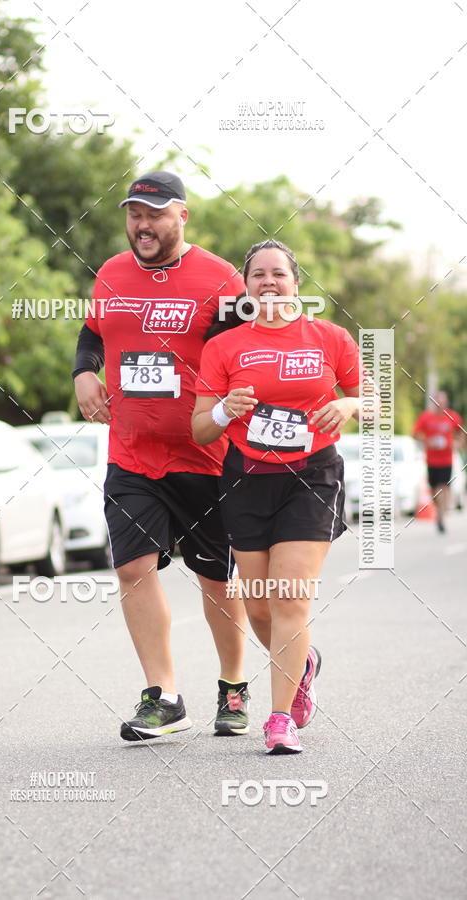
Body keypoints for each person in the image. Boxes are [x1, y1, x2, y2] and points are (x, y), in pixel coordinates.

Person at [72, 171, 250, 741]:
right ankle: (165, 696)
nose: (142, 225)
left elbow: (246, 352)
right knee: (131, 568)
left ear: (182, 217)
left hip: (206, 455)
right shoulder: (112, 273)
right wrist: (83, 373)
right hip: (132, 452)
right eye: (135, 214)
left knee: (216, 580)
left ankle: (233, 687)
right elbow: (94, 332)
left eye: (155, 214)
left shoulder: (221, 279)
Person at [192, 239, 361, 754]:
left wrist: (350, 405)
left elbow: (375, 399)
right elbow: (200, 428)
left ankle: (280, 718)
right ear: (246, 286)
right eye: (258, 275)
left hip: (311, 476)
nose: (268, 282)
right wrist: (225, 410)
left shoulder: (328, 338)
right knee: (260, 607)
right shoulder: (224, 348)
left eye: (278, 274)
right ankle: (303, 664)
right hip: (246, 477)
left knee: (290, 598)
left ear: (296, 283)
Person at [413, 391, 464, 532]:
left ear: (446, 403)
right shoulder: (426, 417)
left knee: (443, 487)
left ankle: (441, 518)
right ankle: (440, 511)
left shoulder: (453, 417)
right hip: (431, 460)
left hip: (446, 460)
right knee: (434, 490)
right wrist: (428, 441)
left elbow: (461, 434)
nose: (440, 405)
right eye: (437, 402)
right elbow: (415, 434)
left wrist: (456, 444)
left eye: (443, 402)